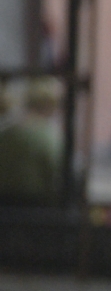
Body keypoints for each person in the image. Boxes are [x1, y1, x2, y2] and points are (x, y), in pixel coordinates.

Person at [0, 77, 64, 206]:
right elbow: (56, 171)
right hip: (36, 205)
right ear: (49, 105)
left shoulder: (7, 132)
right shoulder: (48, 137)